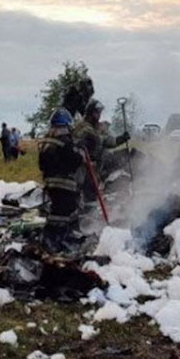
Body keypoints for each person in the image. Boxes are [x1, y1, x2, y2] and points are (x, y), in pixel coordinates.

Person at [37, 108, 85, 254]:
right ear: (66, 125)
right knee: (63, 212)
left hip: (50, 182)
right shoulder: (65, 141)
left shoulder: (46, 140)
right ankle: (54, 238)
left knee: (58, 210)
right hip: (64, 183)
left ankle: (56, 237)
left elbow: (41, 164)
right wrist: (80, 152)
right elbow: (74, 161)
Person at [73, 100, 130, 201]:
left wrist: (121, 138)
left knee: (92, 194)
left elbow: (108, 141)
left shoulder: (97, 129)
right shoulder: (81, 127)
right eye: (97, 113)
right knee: (83, 192)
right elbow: (74, 144)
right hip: (82, 168)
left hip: (94, 169)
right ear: (91, 113)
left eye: (99, 113)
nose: (98, 115)